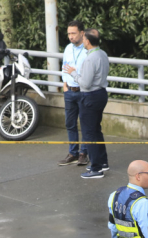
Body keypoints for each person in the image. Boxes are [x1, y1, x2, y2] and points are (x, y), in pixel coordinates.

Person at [69, 29, 108, 179]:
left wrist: (73, 73)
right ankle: (102, 162)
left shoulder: (90, 59)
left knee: (89, 132)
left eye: (84, 39)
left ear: (88, 41)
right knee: (96, 130)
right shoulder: (102, 54)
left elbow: (85, 83)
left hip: (90, 96)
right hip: (101, 94)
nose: (83, 41)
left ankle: (95, 168)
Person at [58, 21, 88, 167]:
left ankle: (84, 153)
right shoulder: (68, 48)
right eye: (69, 33)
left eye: (73, 33)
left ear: (82, 33)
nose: (70, 36)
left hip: (83, 91)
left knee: (85, 123)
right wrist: (65, 86)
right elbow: (64, 67)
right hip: (69, 91)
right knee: (70, 123)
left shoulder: (88, 49)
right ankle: (73, 153)